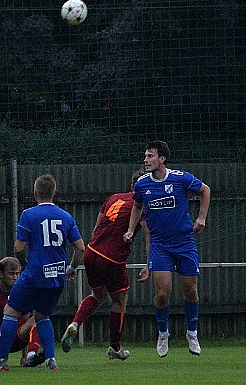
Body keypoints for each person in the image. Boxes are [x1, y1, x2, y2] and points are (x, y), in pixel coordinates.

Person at [0, 174, 85, 371]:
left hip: (35, 275)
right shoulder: (66, 217)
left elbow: (19, 248)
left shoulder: (29, 215)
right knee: (42, 316)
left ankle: (2, 361)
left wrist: (24, 265)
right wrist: (71, 268)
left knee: (10, 312)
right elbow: (81, 248)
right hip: (57, 277)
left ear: (35, 193)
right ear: (54, 193)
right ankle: (50, 360)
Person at [123, 140, 210, 358]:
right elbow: (137, 206)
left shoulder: (180, 178)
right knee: (162, 294)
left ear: (162, 158)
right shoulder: (142, 184)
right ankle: (163, 334)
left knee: (191, 291)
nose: (146, 160)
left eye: (150, 156)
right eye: (145, 156)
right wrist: (131, 230)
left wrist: (201, 218)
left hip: (184, 242)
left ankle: (192, 334)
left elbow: (205, 190)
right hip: (160, 245)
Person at [61, 170, 149, 360]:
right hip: (112, 258)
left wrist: (75, 265)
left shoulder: (113, 198)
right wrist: (150, 264)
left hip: (92, 252)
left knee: (97, 295)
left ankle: (75, 323)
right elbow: (149, 237)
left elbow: (96, 227)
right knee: (119, 301)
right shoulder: (141, 205)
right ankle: (115, 348)